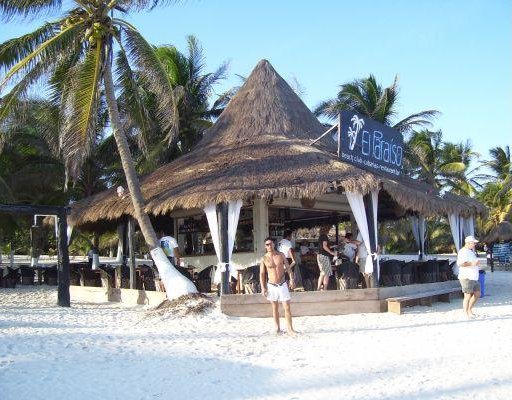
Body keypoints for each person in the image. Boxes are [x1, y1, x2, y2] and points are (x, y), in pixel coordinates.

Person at [260, 237, 296, 335]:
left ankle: (290, 328)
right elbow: (262, 274)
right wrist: (263, 287)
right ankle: (277, 327)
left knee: (287, 307)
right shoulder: (264, 258)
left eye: (270, 244)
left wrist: (292, 279)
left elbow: (288, 267)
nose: (269, 246)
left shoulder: (281, 255)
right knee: (274, 308)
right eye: (267, 244)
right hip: (271, 285)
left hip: (282, 283)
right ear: (265, 246)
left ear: (274, 244)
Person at [457, 235, 481, 318]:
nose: (474, 244)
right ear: (468, 243)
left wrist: (476, 264)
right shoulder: (462, 251)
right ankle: (466, 313)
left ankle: (469, 310)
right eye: (473, 243)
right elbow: (460, 264)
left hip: (474, 277)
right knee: (467, 296)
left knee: (477, 294)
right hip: (466, 277)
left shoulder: (470, 251)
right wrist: (472, 264)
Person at [317, 225, 336, 291]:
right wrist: (332, 253)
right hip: (324, 256)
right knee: (327, 273)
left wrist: (333, 246)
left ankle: (318, 288)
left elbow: (324, 246)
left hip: (320, 256)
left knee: (322, 273)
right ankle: (325, 289)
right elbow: (325, 246)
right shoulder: (324, 236)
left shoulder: (320, 237)